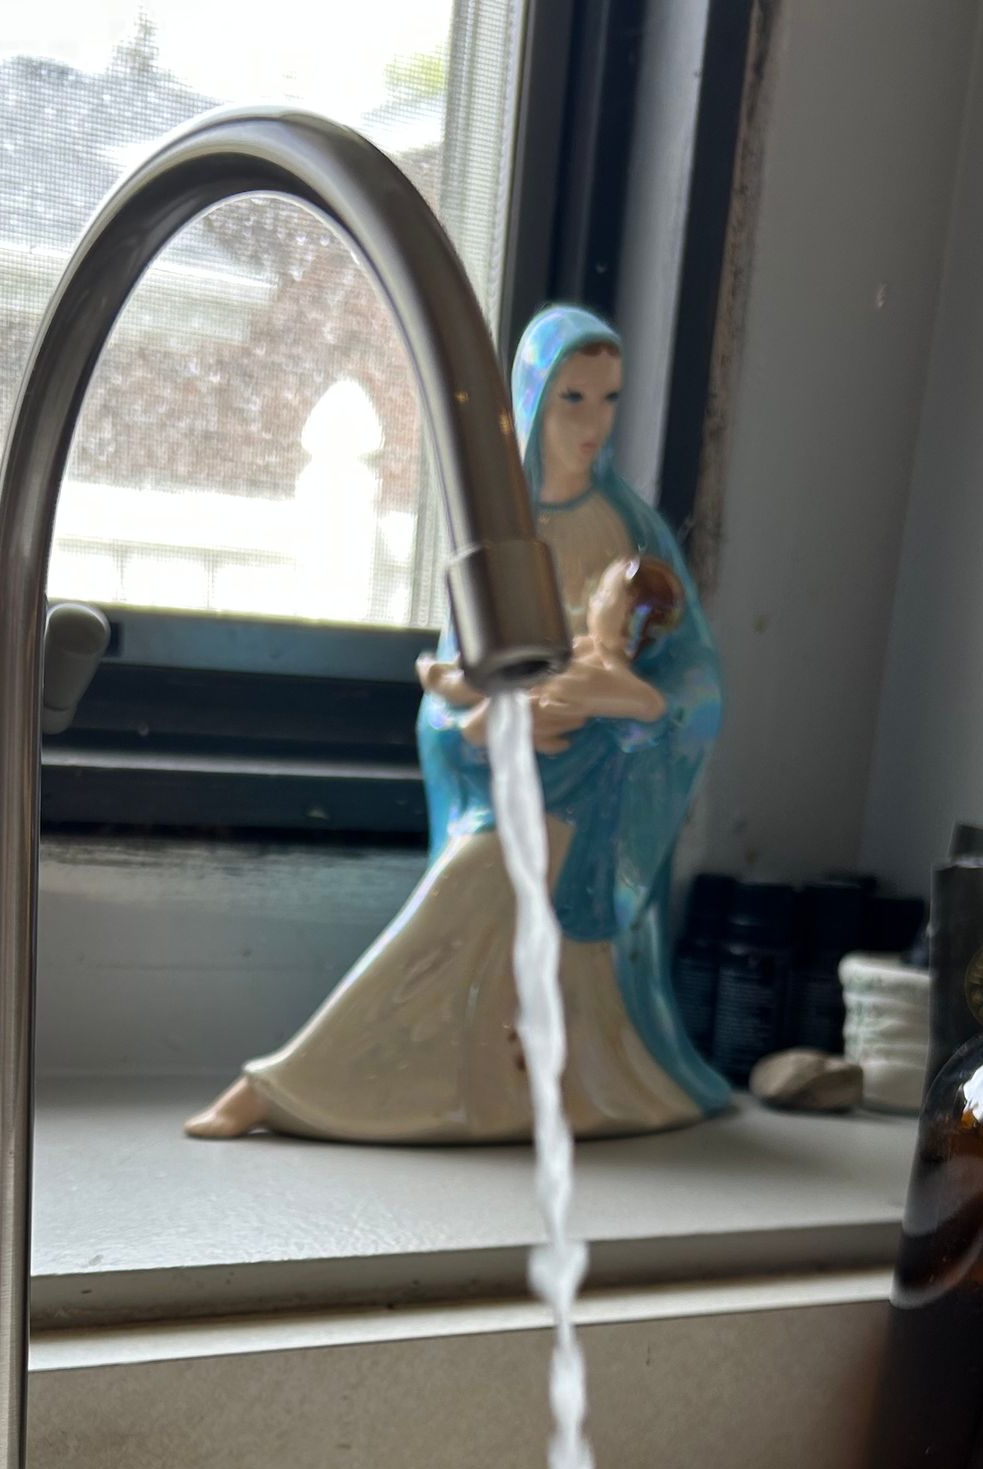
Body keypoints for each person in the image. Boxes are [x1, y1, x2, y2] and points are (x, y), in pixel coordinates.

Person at [186, 305, 730, 1143]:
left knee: (475, 907)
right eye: (572, 399)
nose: (593, 423)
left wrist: (627, 712)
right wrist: (477, 730)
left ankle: (297, 1085)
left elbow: (687, 683)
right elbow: (454, 695)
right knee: (463, 903)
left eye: (609, 399)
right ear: (533, 403)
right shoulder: (504, 539)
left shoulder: (634, 534)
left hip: (592, 794)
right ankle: (322, 1084)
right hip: (511, 776)